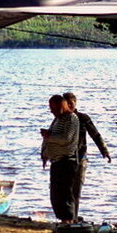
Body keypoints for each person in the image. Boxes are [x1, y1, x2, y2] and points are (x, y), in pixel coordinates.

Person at [62, 92, 111, 221]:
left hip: (80, 158)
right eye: (67, 103)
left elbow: (95, 134)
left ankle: (73, 218)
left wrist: (104, 150)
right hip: (64, 159)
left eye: (71, 103)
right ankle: (66, 218)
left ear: (75, 103)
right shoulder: (61, 119)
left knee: (76, 190)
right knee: (64, 191)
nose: (69, 106)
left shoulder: (83, 118)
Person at [40, 94, 79, 222]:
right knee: (56, 194)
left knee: (65, 193)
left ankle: (68, 220)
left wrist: (49, 136)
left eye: (54, 108)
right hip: (56, 161)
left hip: (66, 161)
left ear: (61, 106)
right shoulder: (57, 119)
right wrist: (44, 154)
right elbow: (49, 138)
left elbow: (66, 139)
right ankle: (63, 220)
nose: (52, 111)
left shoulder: (71, 118)